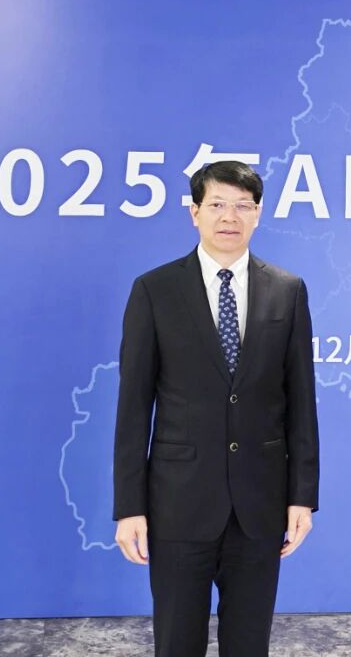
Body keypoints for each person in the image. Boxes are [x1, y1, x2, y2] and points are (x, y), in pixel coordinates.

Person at [112, 160, 320, 657]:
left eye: (243, 206)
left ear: (258, 214)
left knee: (249, 645)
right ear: (195, 212)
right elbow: (133, 407)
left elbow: (301, 401)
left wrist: (302, 497)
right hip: (178, 505)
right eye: (218, 205)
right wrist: (129, 507)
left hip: (259, 505)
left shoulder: (287, 290)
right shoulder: (155, 290)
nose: (230, 217)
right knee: (177, 644)